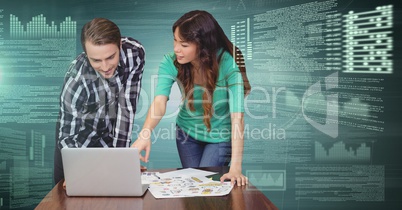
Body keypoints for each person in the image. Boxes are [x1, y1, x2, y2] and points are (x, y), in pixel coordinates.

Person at [131, 10, 250, 186]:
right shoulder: (170, 62)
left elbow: (237, 118)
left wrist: (236, 168)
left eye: (184, 45)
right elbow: (159, 102)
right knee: (193, 188)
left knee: (206, 186)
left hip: (220, 137)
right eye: (175, 40)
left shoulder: (228, 64)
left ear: (203, 46)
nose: (176, 49)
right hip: (187, 134)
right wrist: (144, 134)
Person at [54, 18, 145, 185]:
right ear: (86, 54)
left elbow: (126, 109)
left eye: (111, 57)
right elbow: (67, 136)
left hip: (109, 138)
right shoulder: (76, 80)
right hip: (76, 145)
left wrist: (121, 161)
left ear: (120, 44)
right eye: (96, 60)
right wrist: (78, 172)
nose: (105, 67)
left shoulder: (134, 54)